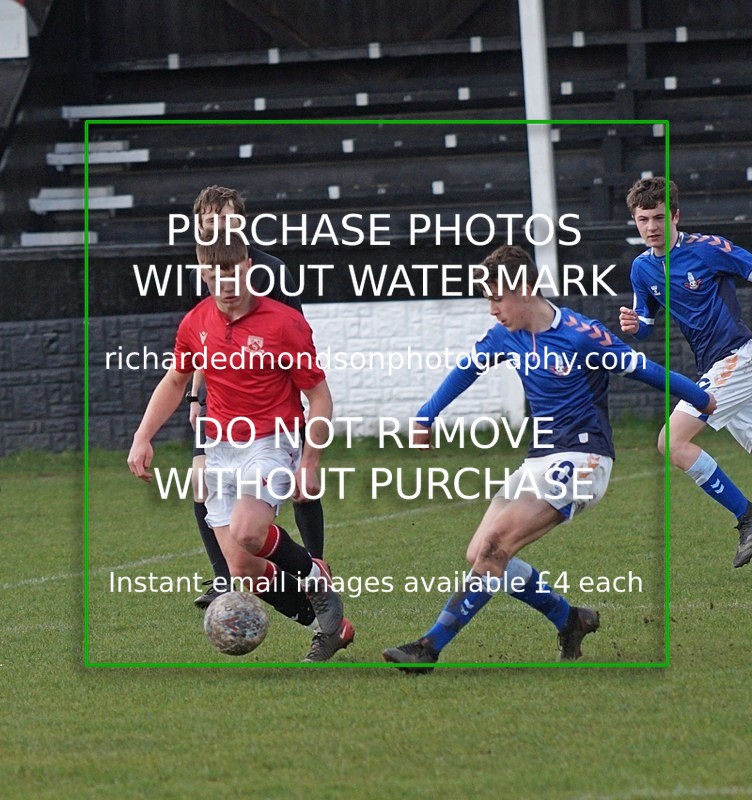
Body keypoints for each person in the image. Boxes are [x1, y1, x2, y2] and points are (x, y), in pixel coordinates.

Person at [383, 244, 715, 671]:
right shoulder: (506, 335)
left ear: (524, 290)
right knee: (480, 556)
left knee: (493, 547)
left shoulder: (582, 335)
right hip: (539, 457)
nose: (492, 310)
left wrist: (702, 398)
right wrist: (427, 415)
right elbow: (469, 367)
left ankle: (428, 648)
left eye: (496, 298)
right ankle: (569, 619)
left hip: (583, 458)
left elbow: (646, 370)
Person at [127, 232, 354, 662]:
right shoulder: (196, 322)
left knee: (249, 530)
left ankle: (313, 574)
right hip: (221, 449)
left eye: (231, 272)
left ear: (248, 267)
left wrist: (310, 460)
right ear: (203, 274)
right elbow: (176, 381)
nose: (224, 284)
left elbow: (319, 397)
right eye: (214, 275)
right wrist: (143, 436)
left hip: (273, 441)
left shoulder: (284, 323)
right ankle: (331, 627)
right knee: (244, 569)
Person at [188, 186, 326, 610]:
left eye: (226, 221)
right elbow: (203, 342)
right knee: (201, 483)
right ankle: (226, 577)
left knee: (303, 487)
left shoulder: (271, 272)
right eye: (210, 223)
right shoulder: (206, 273)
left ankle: (315, 566)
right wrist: (196, 398)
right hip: (222, 411)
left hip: (275, 407)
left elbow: (295, 338)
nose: (219, 229)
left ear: (241, 224)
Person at [620, 177, 752, 567]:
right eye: (643, 220)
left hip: (738, 357)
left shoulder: (708, 250)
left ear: (676, 215)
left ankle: (747, 516)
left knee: (670, 441)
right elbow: (646, 323)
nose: (651, 227)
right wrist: (634, 326)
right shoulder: (642, 269)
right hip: (714, 365)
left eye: (659, 217)